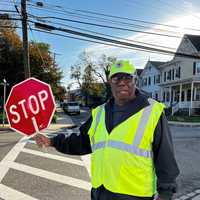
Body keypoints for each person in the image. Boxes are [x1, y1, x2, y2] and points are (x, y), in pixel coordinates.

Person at [34, 60, 179, 200]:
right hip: (101, 192)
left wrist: (165, 193)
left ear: (135, 81)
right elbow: (81, 140)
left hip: (134, 195)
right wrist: (52, 141)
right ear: (110, 83)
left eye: (127, 78)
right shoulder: (100, 113)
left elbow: (164, 154)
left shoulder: (152, 111)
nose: (122, 82)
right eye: (116, 78)